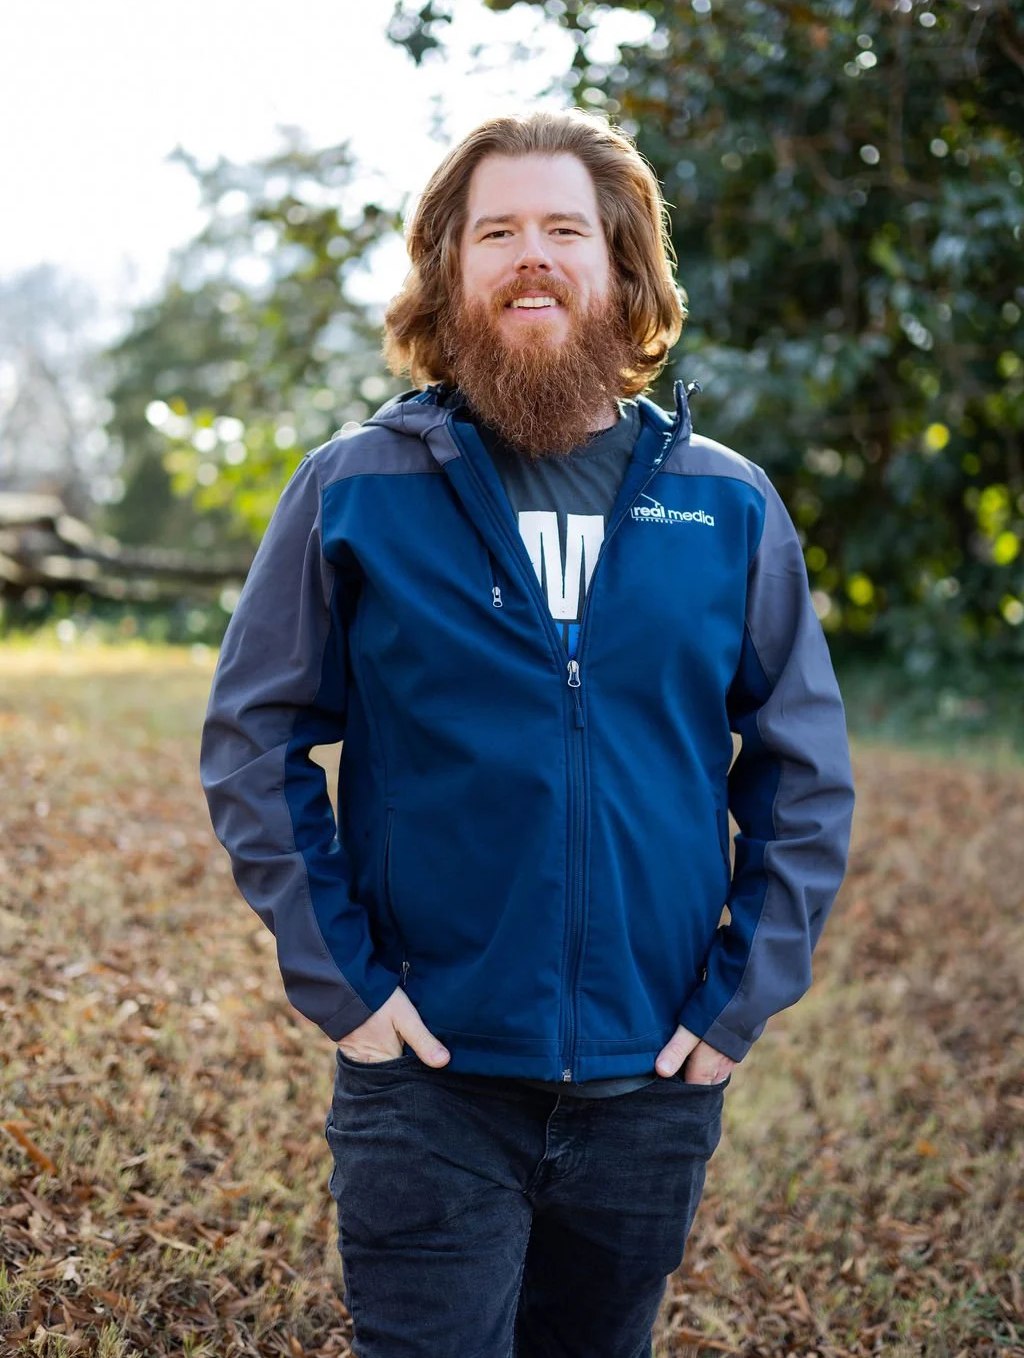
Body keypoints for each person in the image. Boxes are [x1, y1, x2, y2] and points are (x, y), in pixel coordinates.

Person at [199, 109, 856, 1357]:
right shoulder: (357, 487)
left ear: (622, 268)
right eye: (496, 232)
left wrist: (732, 1010)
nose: (531, 256)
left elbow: (804, 776)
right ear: (450, 272)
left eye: (565, 228)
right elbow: (253, 738)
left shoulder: (726, 502)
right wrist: (345, 990)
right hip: (427, 1084)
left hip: (651, 1088)